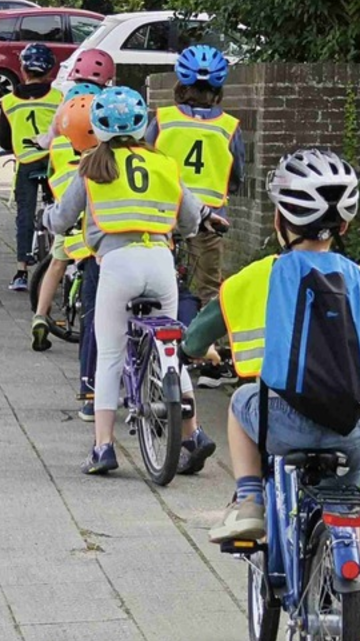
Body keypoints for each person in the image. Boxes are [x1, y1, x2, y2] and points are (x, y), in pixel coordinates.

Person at [181, 149, 360, 546]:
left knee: (240, 403)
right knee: (343, 504)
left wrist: (193, 350)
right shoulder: (358, 277)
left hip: (282, 423)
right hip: (352, 429)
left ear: (279, 220)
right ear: (344, 227)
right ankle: (341, 545)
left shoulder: (259, 275)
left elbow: (199, 335)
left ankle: (249, 501)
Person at [44, 87, 225, 475]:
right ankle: (192, 434)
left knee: (110, 356)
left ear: (98, 128)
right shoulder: (163, 164)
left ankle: (103, 447)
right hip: (160, 263)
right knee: (171, 349)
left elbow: (61, 219)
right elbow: (191, 219)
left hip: (117, 265)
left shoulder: (92, 167)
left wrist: (48, 219)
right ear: (142, 125)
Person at [146, 45, 245, 390]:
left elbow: (145, 157)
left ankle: (156, 346)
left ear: (179, 85)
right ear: (218, 91)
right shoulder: (230, 127)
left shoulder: (162, 119)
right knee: (207, 288)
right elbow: (237, 175)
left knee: (159, 281)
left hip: (163, 214)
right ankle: (206, 357)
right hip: (211, 219)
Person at [30, 86, 100, 354]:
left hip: (67, 217)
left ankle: (39, 316)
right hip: (96, 220)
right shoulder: (103, 152)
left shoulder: (59, 145)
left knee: (57, 263)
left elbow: (50, 177)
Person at [0, 43, 65, 292]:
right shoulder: (58, 98)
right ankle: (62, 260)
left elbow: (2, 139)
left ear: (23, 70)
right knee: (61, 207)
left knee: (24, 213)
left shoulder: (9, 102)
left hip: (26, 162)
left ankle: (21, 271)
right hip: (54, 161)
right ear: (50, 72)